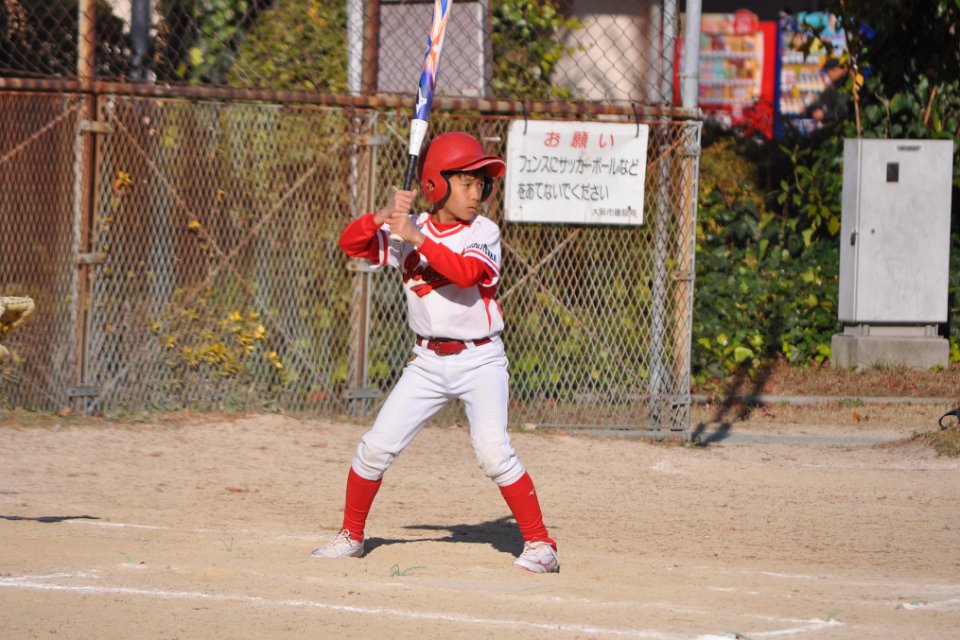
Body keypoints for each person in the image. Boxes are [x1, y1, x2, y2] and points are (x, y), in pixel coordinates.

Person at [311, 131, 559, 573]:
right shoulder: (411, 229)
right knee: (374, 449)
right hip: (426, 362)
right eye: (465, 183)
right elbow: (350, 244)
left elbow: (466, 274)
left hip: (480, 360)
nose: (476, 193)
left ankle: (541, 544)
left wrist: (416, 238)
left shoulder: (483, 231)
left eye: (481, 184)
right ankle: (351, 535)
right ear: (434, 186)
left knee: (493, 452)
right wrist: (382, 216)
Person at [806, 57, 850, 125]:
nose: (828, 74)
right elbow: (822, 101)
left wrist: (825, 114)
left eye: (829, 71)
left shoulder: (847, 85)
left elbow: (844, 111)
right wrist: (809, 109)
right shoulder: (834, 86)